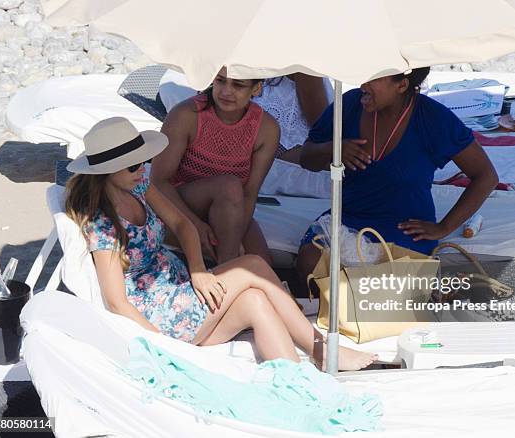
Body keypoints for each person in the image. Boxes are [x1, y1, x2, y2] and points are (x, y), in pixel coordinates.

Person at [65, 117, 377, 371]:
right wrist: (162, 346)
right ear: (106, 172)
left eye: (144, 161)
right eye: (134, 166)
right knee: (253, 265)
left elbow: (183, 225)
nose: (143, 169)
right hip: (161, 313)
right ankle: (321, 350)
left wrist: (199, 270)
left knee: (256, 299)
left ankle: (297, 383)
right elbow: (117, 302)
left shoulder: (139, 186)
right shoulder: (102, 224)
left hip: (182, 288)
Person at [297, 68, 498, 290]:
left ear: (402, 85)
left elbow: (486, 176)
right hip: (349, 219)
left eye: (373, 78)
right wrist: (333, 149)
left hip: (404, 230)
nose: (363, 84)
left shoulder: (432, 119)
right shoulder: (350, 104)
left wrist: (444, 227)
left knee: (381, 287)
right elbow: (307, 158)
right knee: (310, 261)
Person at [150, 67, 279, 266]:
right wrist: (193, 225)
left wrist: (234, 238)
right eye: (220, 81)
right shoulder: (187, 115)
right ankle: (226, 270)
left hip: (230, 208)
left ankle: (230, 271)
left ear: (256, 88)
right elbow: (158, 182)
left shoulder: (266, 129)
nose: (226, 91)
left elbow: (250, 194)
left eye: (238, 85)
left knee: (262, 265)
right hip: (177, 204)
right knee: (228, 186)